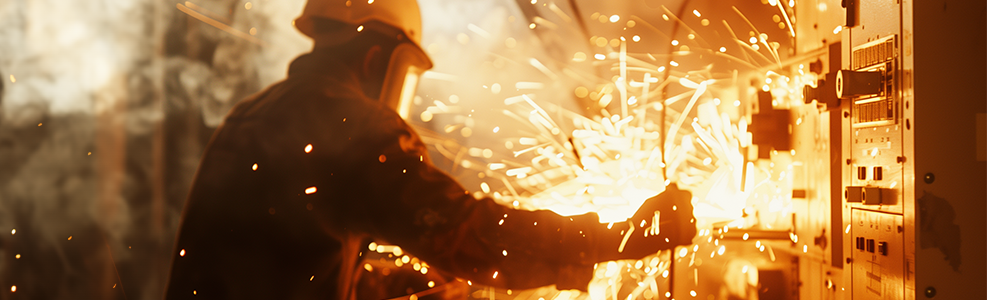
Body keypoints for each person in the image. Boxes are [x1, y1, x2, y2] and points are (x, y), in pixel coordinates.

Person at [163, 0, 697, 298]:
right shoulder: (353, 124)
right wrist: (621, 236)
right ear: (377, 58)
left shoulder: (257, 112)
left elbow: (284, 258)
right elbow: (478, 236)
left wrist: (397, 280)